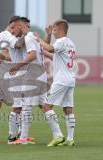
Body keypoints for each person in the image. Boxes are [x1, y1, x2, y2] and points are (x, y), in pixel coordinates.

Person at [37, 19, 76, 147]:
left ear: (60, 29)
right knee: (68, 109)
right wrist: (44, 53)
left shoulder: (61, 41)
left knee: (46, 107)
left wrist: (38, 39)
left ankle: (58, 135)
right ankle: (70, 139)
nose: (53, 33)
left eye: (54, 30)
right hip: (70, 79)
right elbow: (57, 58)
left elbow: (49, 47)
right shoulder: (70, 43)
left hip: (61, 80)